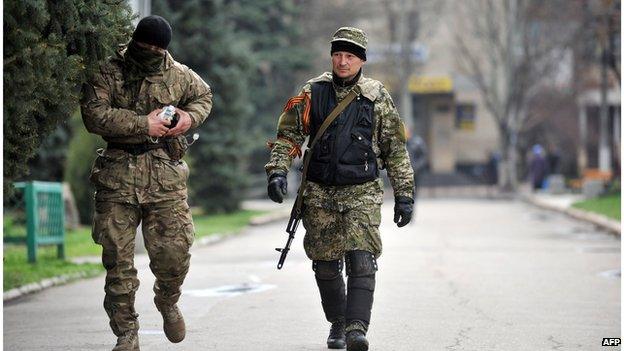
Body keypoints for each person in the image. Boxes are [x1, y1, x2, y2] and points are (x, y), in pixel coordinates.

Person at [265, 27, 414, 351]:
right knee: (326, 264)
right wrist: (277, 172)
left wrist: (404, 194)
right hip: (319, 192)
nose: (343, 62)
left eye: (349, 56)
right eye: (338, 55)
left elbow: (395, 148)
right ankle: (338, 322)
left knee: (362, 259)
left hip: (362, 191)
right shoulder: (312, 92)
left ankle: (357, 329)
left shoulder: (376, 96)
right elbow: (288, 136)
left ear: (361, 60)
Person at [81, 15, 212, 351]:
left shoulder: (179, 74)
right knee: (118, 263)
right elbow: (93, 114)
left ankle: (167, 300)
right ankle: (127, 334)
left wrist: (188, 117)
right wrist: (143, 124)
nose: (151, 52)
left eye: (158, 48)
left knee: (174, 253)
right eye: (145, 46)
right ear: (135, 41)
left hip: (164, 176)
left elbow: (204, 97)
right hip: (117, 177)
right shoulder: (108, 71)